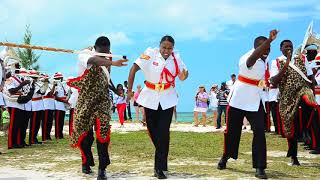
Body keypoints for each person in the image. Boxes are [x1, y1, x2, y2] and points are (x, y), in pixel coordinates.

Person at [218, 30, 278, 179]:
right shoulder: (247, 57)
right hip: (238, 99)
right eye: (264, 48)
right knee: (232, 132)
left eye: (269, 50)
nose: (267, 51)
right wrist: (269, 41)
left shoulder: (266, 60)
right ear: (257, 47)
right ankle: (225, 156)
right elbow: (252, 60)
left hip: (255, 100)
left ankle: (259, 167)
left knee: (259, 132)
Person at [127, 35, 188, 179]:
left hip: (167, 98)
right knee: (154, 131)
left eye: (169, 48)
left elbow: (183, 76)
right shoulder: (149, 54)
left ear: (173, 48)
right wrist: (129, 90)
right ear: (159, 46)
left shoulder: (176, 58)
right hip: (150, 97)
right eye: (164, 47)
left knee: (163, 132)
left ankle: (159, 168)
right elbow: (133, 69)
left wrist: (185, 74)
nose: (166, 50)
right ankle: (162, 162)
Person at [67, 36, 127, 180]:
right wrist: (111, 61)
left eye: (106, 52)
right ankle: (86, 162)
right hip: (86, 100)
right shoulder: (85, 54)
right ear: (95, 48)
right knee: (85, 135)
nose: (104, 55)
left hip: (102, 101)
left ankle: (102, 169)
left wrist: (114, 89)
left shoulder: (108, 56)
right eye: (101, 53)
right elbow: (94, 61)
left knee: (103, 133)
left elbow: (105, 77)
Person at [270, 39, 316, 166]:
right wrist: (287, 63)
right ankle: (293, 156)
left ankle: (305, 131)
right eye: (286, 47)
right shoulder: (276, 62)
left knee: (311, 103)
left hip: (303, 89)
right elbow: (274, 80)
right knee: (291, 126)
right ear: (281, 49)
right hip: (287, 95)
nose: (289, 48)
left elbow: (310, 76)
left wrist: (313, 91)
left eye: (290, 46)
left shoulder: (301, 58)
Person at [29, 70, 45, 145]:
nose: (36, 79)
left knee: (37, 123)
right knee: (34, 123)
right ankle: (32, 139)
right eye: (34, 77)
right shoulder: (32, 84)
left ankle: (34, 138)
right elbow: (41, 92)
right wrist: (45, 84)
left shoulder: (36, 84)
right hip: (35, 105)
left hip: (39, 105)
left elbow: (43, 92)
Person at [53, 72, 69, 139]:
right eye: (60, 77)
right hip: (58, 105)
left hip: (63, 106)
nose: (61, 79)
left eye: (61, 77)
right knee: (58, 121)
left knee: (61, 121)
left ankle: (60, 134)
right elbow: (55, 97)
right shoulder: (56, 86)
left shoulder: (62, 85)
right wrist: (63, 101)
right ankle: (57, 135)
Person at [42, 74, 56, 141]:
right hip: (46, 106)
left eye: (47, 79)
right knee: (45, 122)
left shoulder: (49, 86)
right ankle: (44, 136)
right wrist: (54, 86)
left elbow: (53, 94)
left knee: (50, 122)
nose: (47, 80)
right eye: (45, 79)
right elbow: (50, 93)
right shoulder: (44, 86)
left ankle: (48, 135)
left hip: (51, 106)